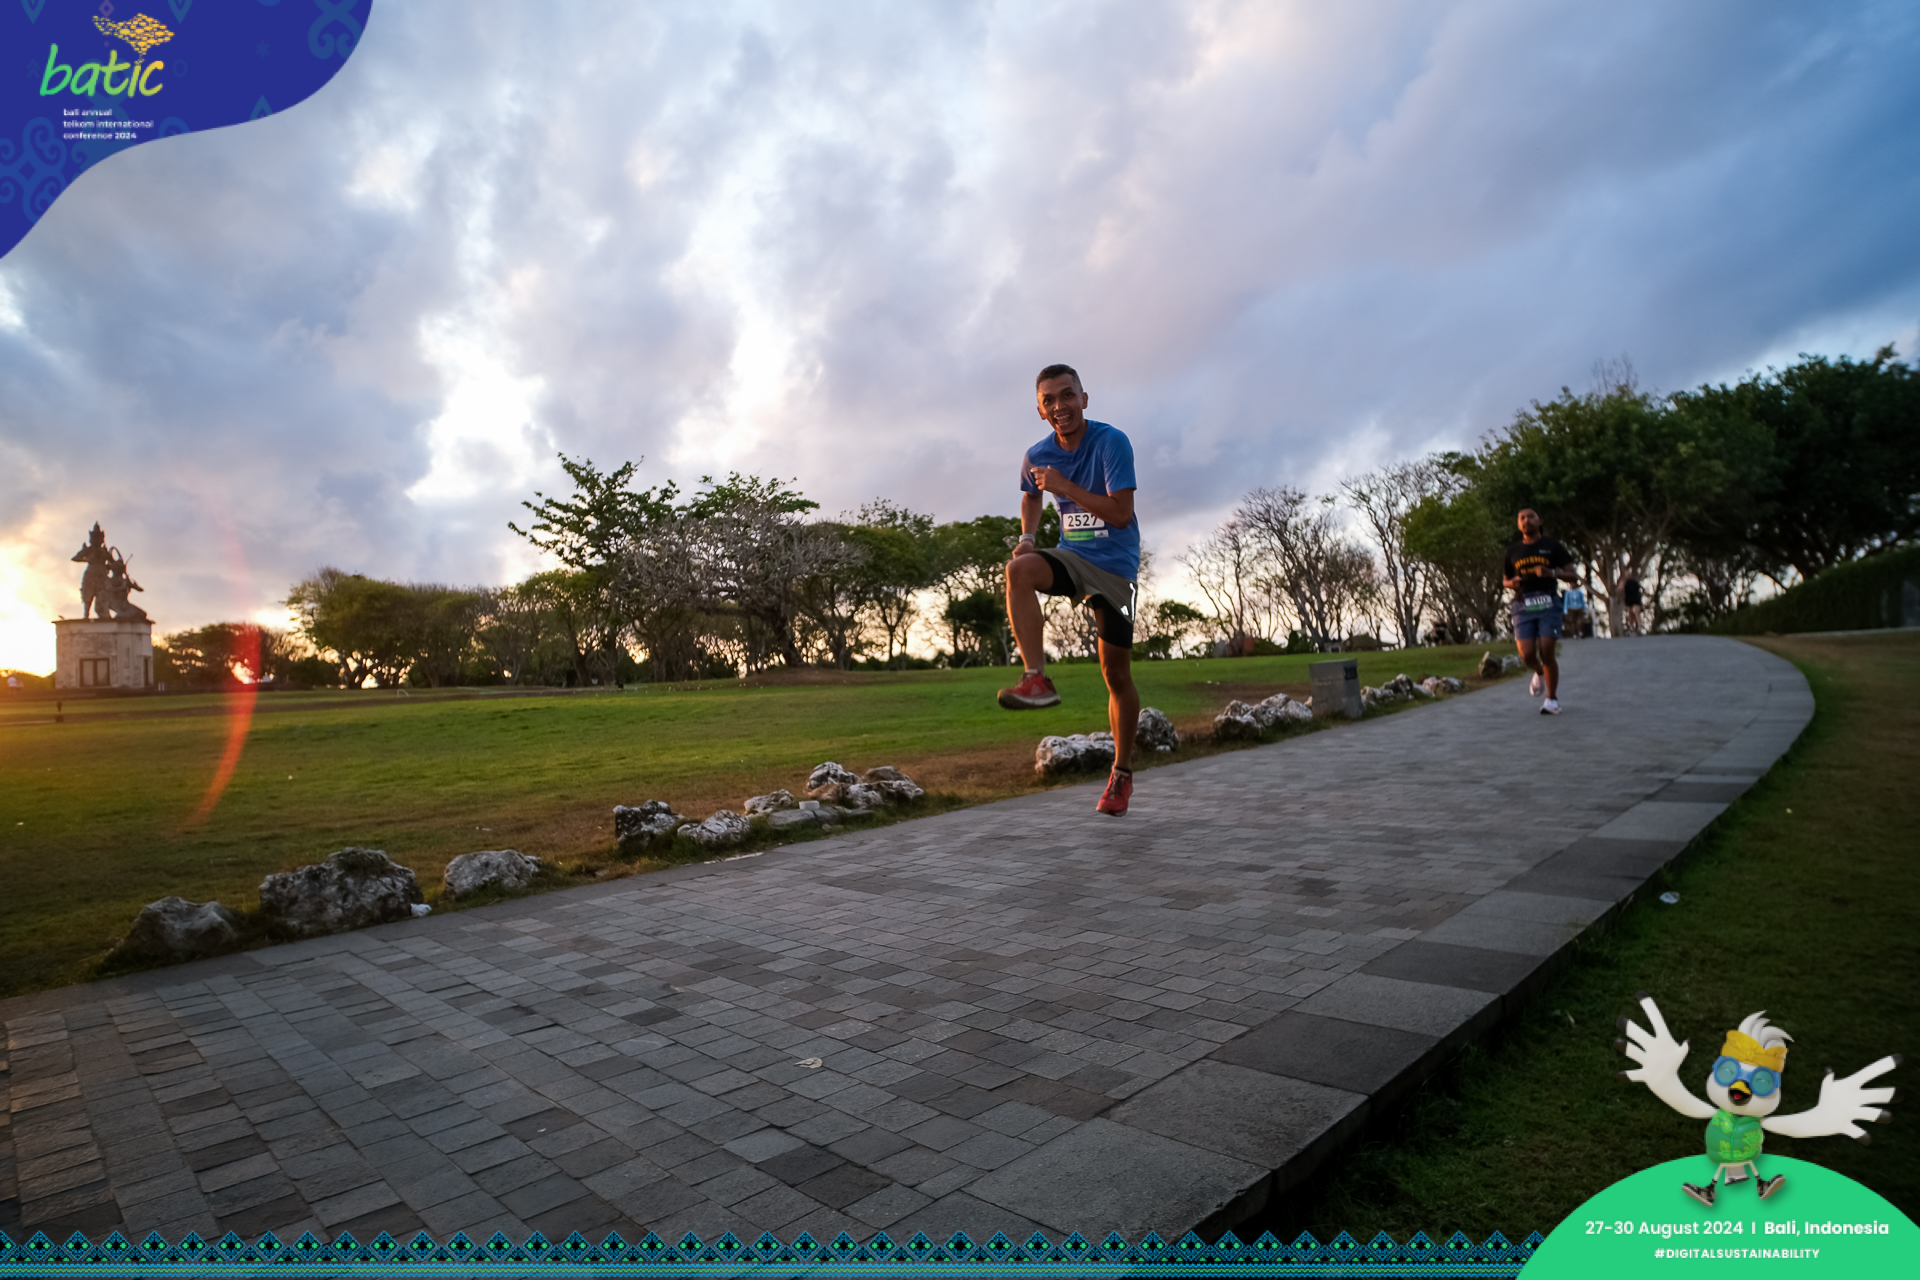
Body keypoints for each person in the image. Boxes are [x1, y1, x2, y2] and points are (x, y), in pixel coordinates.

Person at [1000, 364, 1141, 816]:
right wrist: (1027, 537)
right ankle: (1036, 678)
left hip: (1115, 569)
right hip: (1072, 557)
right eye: (1049, 400)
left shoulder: (1111, 442)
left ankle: (1121, 774)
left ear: (1084, 399)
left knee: (1115, 674)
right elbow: (1031, 493)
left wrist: (1065, 487)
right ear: (1040, 410)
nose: (1060, 406)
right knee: (1019, 570)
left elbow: (1120, 514)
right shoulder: (1037, 454)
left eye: (1067, 395)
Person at [1502, 508, 1578, 714]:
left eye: (1531, 516)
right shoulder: (1513, 551)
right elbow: (1505, 580)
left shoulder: (1553, 546)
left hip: (1548, 602)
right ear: (1518, 524)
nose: (1526, 520)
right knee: (1527, 655)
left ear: (1540, 521)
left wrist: (1551, 572)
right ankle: (1539, 672)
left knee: (1546, 651)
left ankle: (1551, 700)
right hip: (1522, 605)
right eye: (1522, 518)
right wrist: (1512, 583)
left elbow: (1573, 576)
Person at [1620, 570, 1645, 636]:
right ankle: (1633, 627)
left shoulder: (1631, 582)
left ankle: (1638, 628)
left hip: (1634, 598)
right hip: (1630, 599)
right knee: (1631, 614)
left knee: (1636, 614)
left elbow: (1620, 589)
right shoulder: (1626, 582)